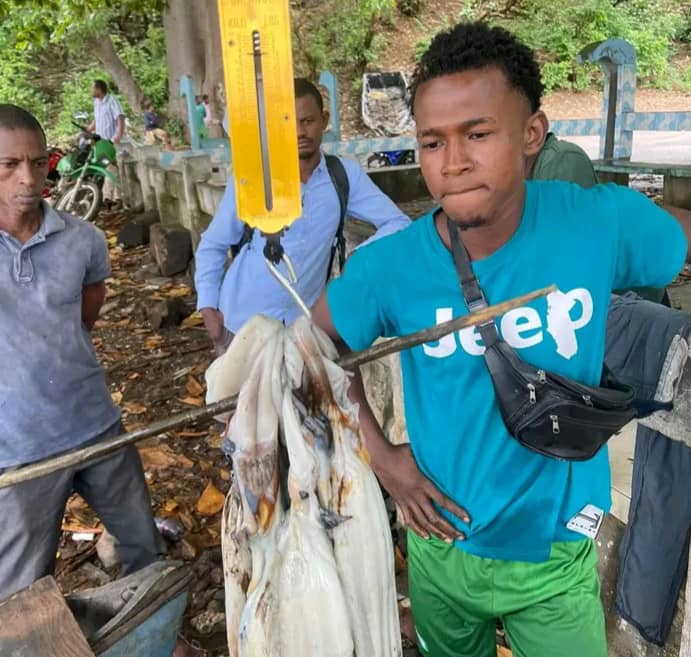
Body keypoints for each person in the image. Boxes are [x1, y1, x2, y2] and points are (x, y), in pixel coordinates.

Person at [309, 23, 690, 657]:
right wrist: (381, 457)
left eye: (478, 134)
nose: (453, 162)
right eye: (433, 141)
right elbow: (314, 344)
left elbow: (677, 239)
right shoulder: (389, 268)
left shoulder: (594, 222)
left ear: (531, 134)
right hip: (442, 545)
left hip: (559, 549)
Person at [0, 104, 163, 600]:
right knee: (21, 594)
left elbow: (84, 319)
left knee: (143, 549)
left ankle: (158, 631)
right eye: (8, 165)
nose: (27, 178)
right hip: (18, 451)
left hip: (96, 425)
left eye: (36, 161)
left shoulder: (84, 241)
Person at [194, 77, 410, 354]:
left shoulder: (343, 176)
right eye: (288, 122)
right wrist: (209, 310)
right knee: (239, 398)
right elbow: (213, 244)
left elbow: (399, 223)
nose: (298, 132)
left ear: (324, 120)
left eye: (307, 121)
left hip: (303, 330)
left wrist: (361, 255)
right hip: (241, 324)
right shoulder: (256, 180)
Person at [88, 79, 124, 209]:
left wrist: (118, 136)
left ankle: (108, 197)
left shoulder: (112, 101)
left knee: (111, 168)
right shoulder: (96, 103)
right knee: (110, 168)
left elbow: (120, 118)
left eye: (92, 88)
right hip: (100, 144)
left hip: (111, 142)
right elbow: (96, 121)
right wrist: (86, 131)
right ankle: (115, 198)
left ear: (99, 89)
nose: (91, 91)